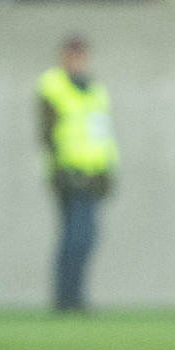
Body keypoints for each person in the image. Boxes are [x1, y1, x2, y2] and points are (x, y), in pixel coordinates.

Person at [36, 35, 116, 313]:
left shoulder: (95, 90)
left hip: (93, 175)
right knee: (75, 238)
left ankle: (74, 297)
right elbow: (46, 132)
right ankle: (66, 299)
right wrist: (59, 169)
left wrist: (108, 171)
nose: (78, 61)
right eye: (73, 56)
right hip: (69, 175)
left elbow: (102, 133)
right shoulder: (53, 86)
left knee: (86, 239)